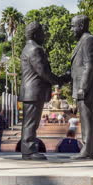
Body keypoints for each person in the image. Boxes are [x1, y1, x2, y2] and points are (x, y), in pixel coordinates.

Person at [19, 22, 62, 160]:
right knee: (31, 123)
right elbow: (43, 72)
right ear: (36, 34)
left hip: (31, 92)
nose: (44, 36)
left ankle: (28, 150)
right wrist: (59, 80)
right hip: (33, 91)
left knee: (31, 122)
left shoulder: (27, 48)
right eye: (42, 33)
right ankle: (29, 150)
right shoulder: (35, 49)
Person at [66, 15, 93, 160]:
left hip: (85, 88)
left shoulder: (88, 40)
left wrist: (83, 87)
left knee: (87, 119)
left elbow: (90, 65)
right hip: (83, 86)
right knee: (92, 118)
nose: (71, 29)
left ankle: (87, 151)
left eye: (73, 26)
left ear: (81, 26)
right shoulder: (83, 41)